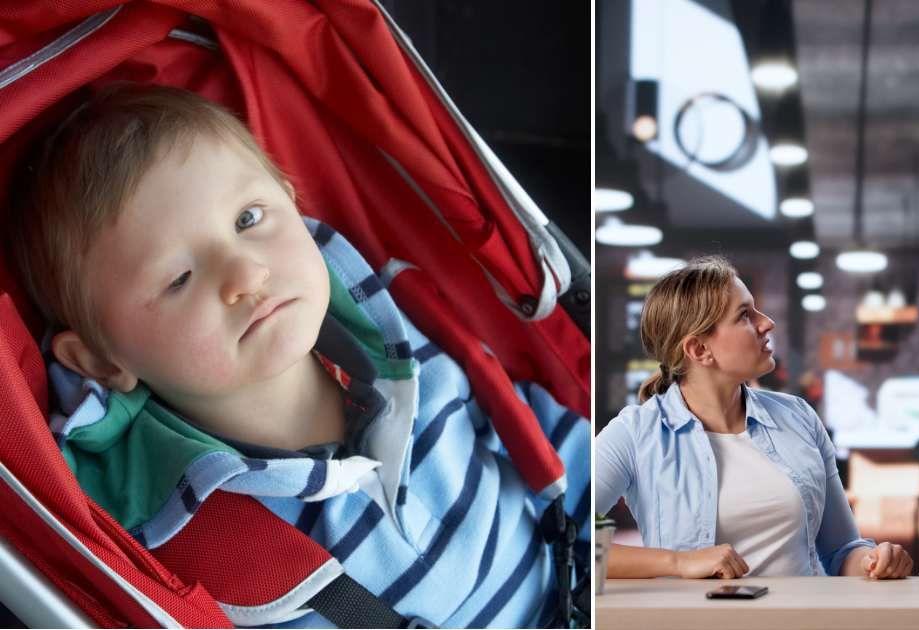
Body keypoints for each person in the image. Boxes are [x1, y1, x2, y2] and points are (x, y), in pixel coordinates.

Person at [5, 84, 589, 628]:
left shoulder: (410, 350)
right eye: (179, 278)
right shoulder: (180, 536)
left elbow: (561, 451)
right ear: (103, 362)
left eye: (249, 219)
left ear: (292, 202)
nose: (245, 271)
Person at [596, 256, 913, 580]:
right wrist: (677, 562)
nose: (767, 323)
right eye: (745, 315)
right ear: (699, 349)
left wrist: (873, 562)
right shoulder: (634, 433)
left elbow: (841, 550)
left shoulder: (799, 417)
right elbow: (569, 538)